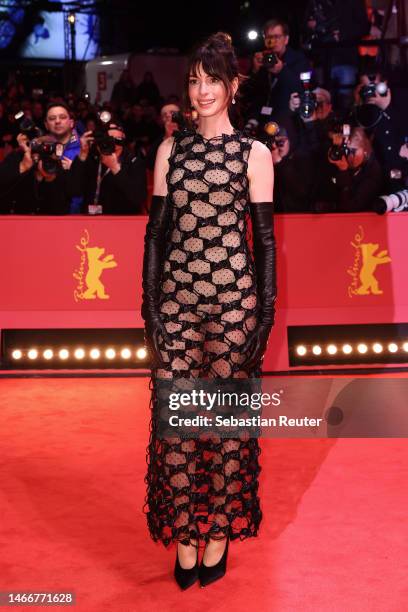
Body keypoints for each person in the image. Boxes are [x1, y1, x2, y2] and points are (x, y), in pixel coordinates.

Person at [141, 32, 276, 590]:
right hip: (175, 302)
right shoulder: (171, 149)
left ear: (233, 86)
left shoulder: (254, 153)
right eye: (194, 80)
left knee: (222, 426)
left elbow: (264, 242)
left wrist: (264, 315)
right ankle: (186, 535)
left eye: (212, 80)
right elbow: (155, 235)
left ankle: (219, 526)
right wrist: (149, 306)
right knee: (175, 428)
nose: (201, 91)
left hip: (232, 306)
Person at [242, 18, 311, 126]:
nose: (272, 41)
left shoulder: (298, 59)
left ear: (286, 39)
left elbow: (302, 90)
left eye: (277, 37)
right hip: (261, 118)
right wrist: (254, 70)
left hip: (288, 119)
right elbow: (248, 93)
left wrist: (282, 70)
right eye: (268, 37)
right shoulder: (261, 59)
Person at [69, 122, 147, 214]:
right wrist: (83, 154)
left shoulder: (134, 162)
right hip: (92, 219)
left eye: (118, 140)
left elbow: (138, 198)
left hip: (122, 220)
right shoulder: (93, 159)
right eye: (109, 140)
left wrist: (115, 168)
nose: (114, 145)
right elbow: (74, 190)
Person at [314, 126, 383, 212]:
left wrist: (343, 172)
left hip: (361, 219)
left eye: (353, 151)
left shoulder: (373, 171)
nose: (350, 156)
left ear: (365, 150)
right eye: (347, 150)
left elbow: (350, 207)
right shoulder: (343, 160)